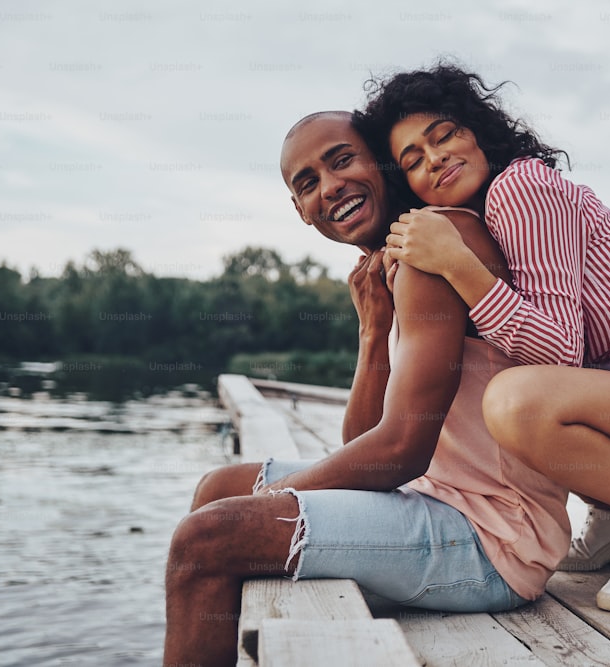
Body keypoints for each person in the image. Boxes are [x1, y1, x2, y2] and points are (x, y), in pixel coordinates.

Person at [162, 111, 570, 666]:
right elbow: (362, 439)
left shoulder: (437, 243)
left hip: (493, 542)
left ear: (380, 158)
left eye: (342, 160)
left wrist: (272, 501)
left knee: (205, 540)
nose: (329, 187)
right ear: (300, 211)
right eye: (307, 183)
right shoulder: (397, 262)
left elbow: (399, 451)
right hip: (434, 501)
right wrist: (373, 331)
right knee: (217, 487)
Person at [353, 64, 610, 613]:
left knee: (515, 400)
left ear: (476, 130)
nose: (435, 158)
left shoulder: (520, 189)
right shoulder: (485, 213)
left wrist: (456, 263)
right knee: (512, 395)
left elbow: (558, 351)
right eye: (412, 160)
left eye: (445, 134)